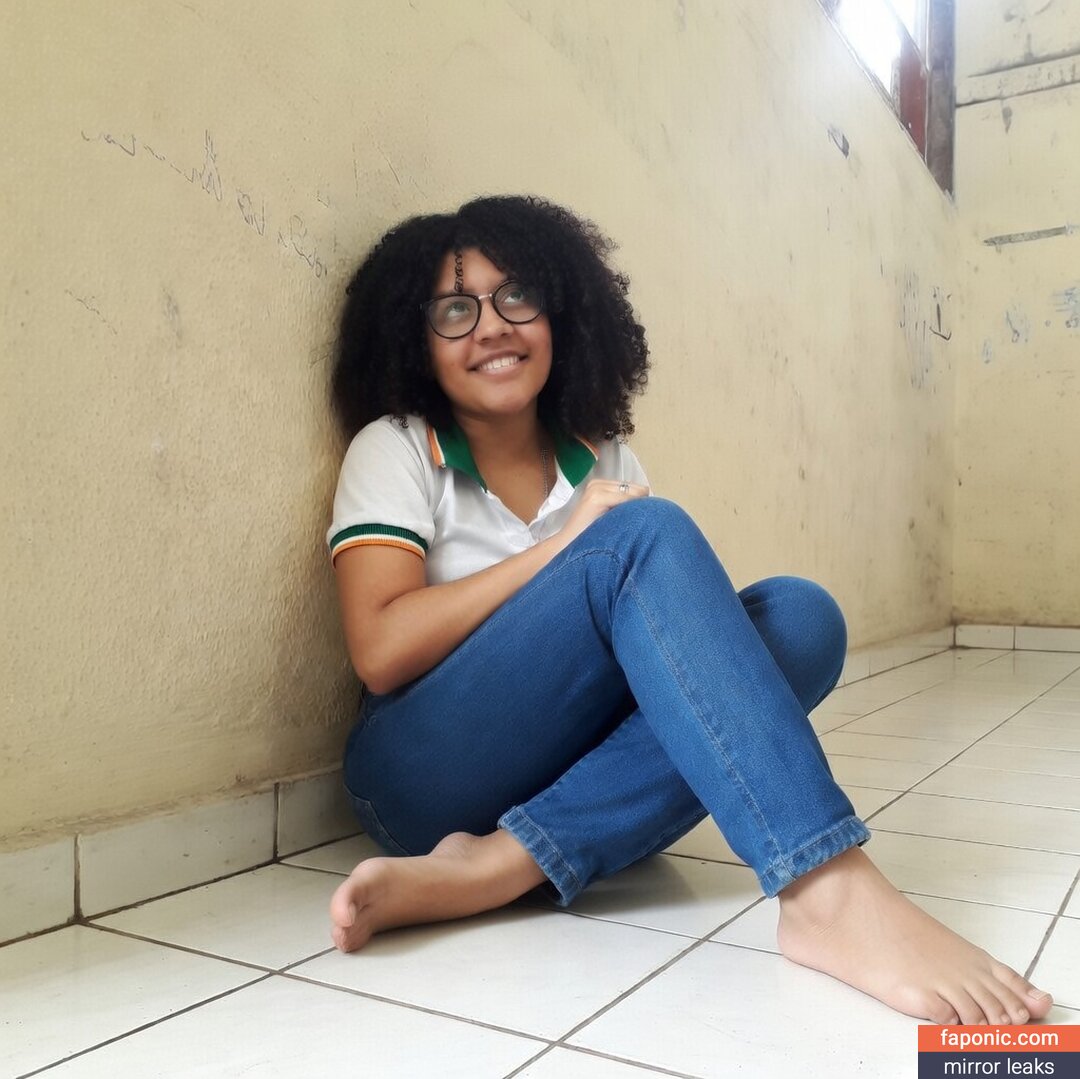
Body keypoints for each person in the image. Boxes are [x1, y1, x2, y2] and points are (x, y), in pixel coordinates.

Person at [324, 195, 1052, 1026]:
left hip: (557, 763)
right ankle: (826, 890)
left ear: (561, 314)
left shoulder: (605, 456)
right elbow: (380, 647)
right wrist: (561, 550)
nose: (492, 326)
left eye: (517, 296)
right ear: (417, 340)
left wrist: (599, 546)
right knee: (645, 533)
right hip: (417, 772)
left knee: (801, 621)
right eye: (456, 310)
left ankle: (500, 862)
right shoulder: (396, 446)